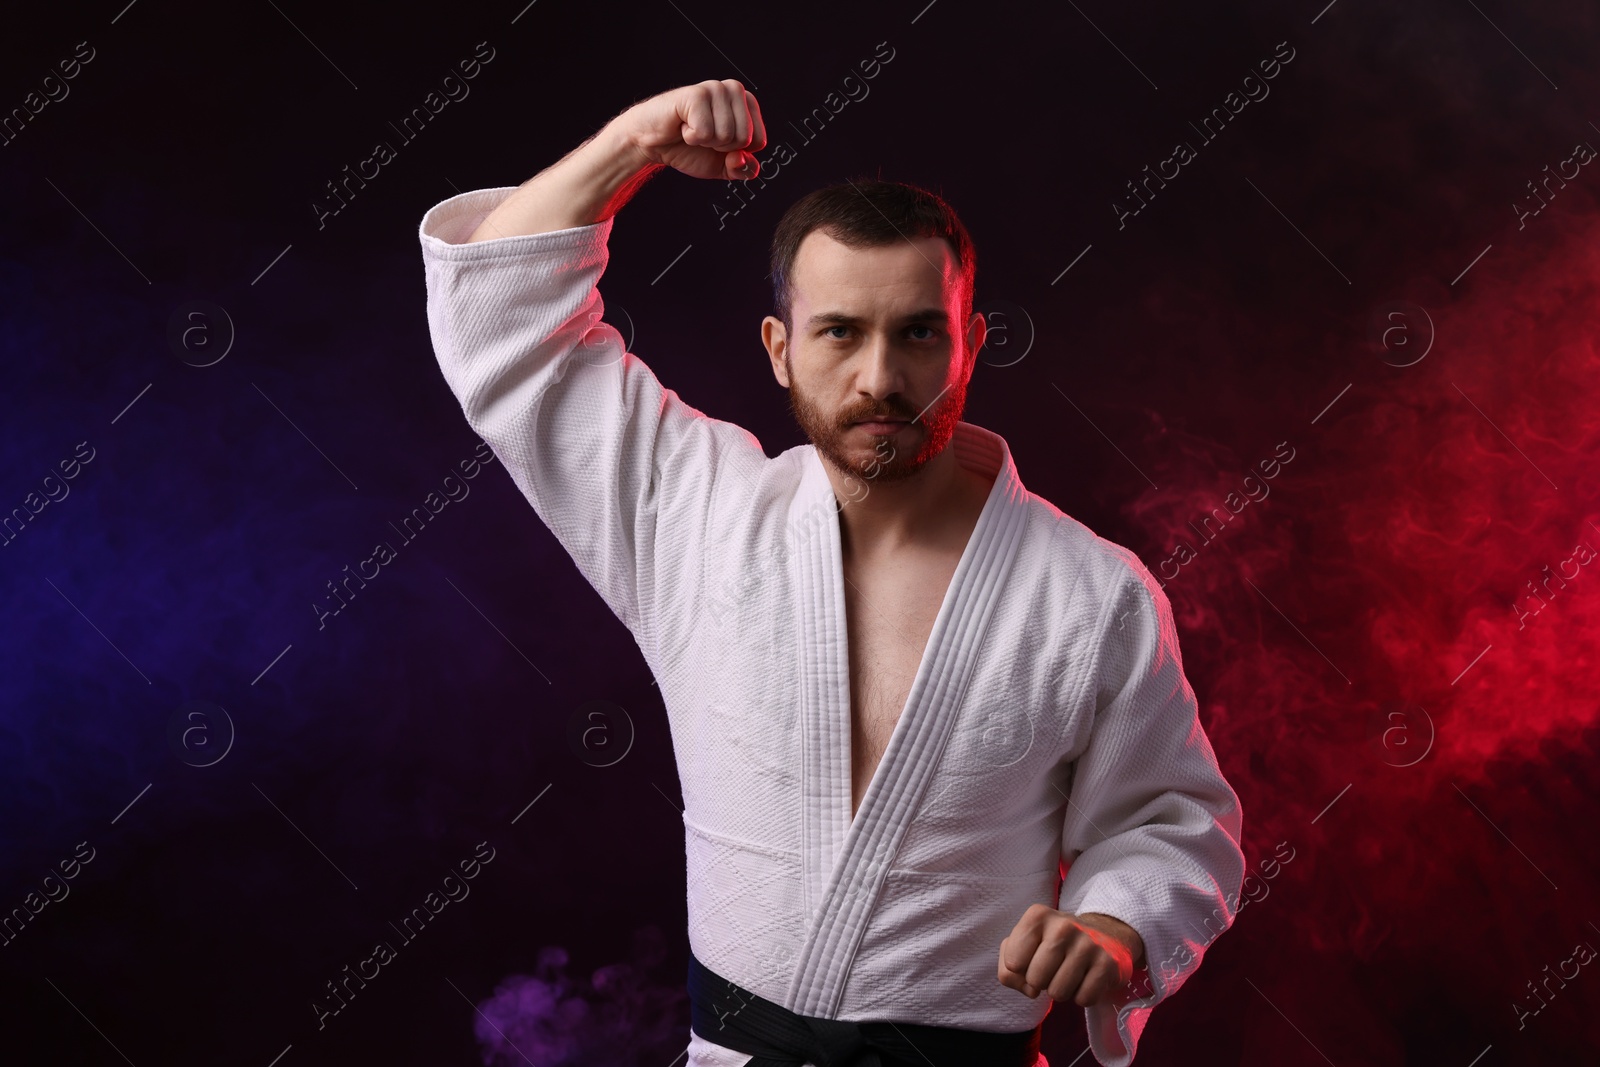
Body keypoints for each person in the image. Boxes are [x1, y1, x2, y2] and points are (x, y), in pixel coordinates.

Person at [417, 79, 1244, 1067]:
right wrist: (629, 142)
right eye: (840, 331)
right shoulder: (699, 518)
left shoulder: (1092, 592)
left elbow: (1172, 820)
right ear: (779, 348)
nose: (880, 379)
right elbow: (499, 318)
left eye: (918, 332)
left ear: (971, 343)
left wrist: (1115, 924)